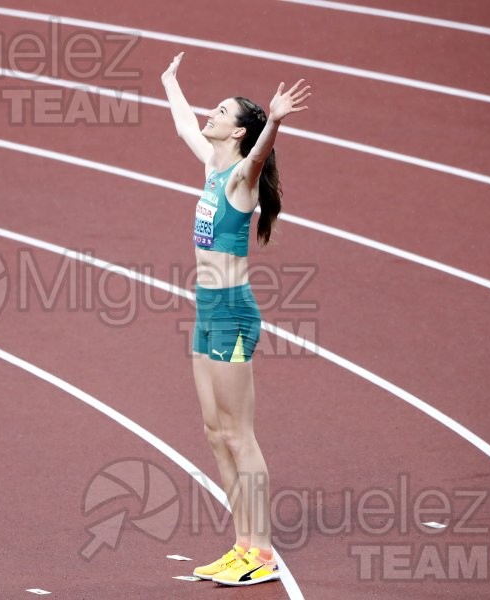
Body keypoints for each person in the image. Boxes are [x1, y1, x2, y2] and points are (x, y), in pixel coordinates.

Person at [160, 52, 310, 586]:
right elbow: (182, 125)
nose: (211, 114)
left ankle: (263, 554)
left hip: (232, 314)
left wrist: (274, 121)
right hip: (205, 312)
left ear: (238, 131)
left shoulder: (240, 181)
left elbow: (261, 154)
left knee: (240, 435)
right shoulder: (211, 165)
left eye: (221, 111)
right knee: (213, 431)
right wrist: (169, 82)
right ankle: (241, 544)